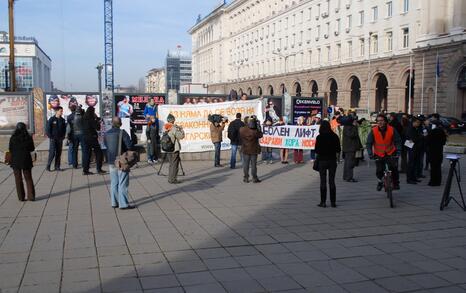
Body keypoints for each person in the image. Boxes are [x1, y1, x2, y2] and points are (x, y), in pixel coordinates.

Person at [104, 117, 134, 209]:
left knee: (114, 182)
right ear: (120, 123)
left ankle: (114, 202)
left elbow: (105, 145)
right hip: (121, 161)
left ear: (112, 123)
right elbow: (129, 146)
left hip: (111, 160)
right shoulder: (122, 132)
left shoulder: (106, 133)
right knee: (123, 182)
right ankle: (123, 204)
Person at [366, 114, 402, 191]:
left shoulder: (392, 129)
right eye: (378, 121)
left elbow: (398, 141)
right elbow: (369, 143)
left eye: (382, 120)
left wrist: (398, 151)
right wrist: (370, 154)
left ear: (385, 121)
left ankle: (396, 183)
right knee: (379, 170)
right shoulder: (374, 130)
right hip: (378, 153)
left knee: (394, 168)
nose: (380, 122)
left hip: (390, 152)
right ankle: (380, 182)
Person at [315, 120, 341, 208]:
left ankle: (323, 202)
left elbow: (317, 150)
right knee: (332, 181)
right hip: (332, 161)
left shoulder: (319, 137)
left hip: (322, 161)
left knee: (323, 181)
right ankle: (333, 202)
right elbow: (338, 149)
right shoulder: (335, 136)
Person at [9, 122, 36, 201]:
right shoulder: (28, 137)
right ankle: (31, 196)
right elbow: (32, 149)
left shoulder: (13, 137)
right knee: (28, 178)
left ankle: (21, 197)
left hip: (15, 161)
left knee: (18, 179)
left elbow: (10, 149)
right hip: (26, 160)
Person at [83, 106, 105, 175]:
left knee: (87, 154)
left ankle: (85, 170)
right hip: (92, 137)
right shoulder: (91, 119)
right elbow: (97, 128)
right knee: (99, 153)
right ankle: (99, 169)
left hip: (85, 138)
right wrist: (97, 120)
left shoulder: (84, 118)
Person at [240, 115, 263, 183]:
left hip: (245, 149)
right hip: (253, 149)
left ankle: (246, 178)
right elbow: (261, 135)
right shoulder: (255, 131)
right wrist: (258, 126)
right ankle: (254, 178)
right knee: (253, 164)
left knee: (246, 164)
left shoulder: (242, 129)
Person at [165, 114, 185, 184]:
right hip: (174, 149)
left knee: (171, 164)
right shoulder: (173, 128)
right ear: (173, 120)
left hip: (167, 148)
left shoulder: (165, 127)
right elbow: (181, 136)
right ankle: (173, 179)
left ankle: (170, 178)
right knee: (174, 164)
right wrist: (181, 130)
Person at [426, 119, 447, 186]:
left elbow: (428, 141)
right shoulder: (442, 132)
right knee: (438, 167)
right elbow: (444, 142)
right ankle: (438, 181)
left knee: (433, 167)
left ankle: (433, 181)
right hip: (439, 151)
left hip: (432, 151)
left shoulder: (432, 132)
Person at [46, 106, 66, 172]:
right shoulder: (52, 119)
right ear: (56, 111)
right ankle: (48, 166)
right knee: (52, 153)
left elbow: (64, 130)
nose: (61, 112)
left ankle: (57, 166)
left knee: (58, 153)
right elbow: (48, 129)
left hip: (60, 139)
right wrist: (50, 137)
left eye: (62, 111)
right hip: (53, 139)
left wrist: (63, 137)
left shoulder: (62, 120)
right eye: (60, 111)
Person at [342, 117, 361, 182]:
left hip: (348, 147)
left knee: (347, 162)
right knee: (350, 163)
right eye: (354, 121)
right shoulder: (349, 127)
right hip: (350, 147)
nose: (355, 122)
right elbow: (352, 135)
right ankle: (349, 177)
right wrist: (355, 127)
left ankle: (346, 176)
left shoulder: (346, 126)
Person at [405, 116, 423, 184]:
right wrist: (419, 138)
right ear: (413, 122)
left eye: (419, 122)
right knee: (411, 164)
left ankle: (414, 177)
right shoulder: (410, 129)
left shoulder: (416, 128)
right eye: (417, 122)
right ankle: (409, 179)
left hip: (416, 148)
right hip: (412, 148)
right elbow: (410, 139)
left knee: (415, 164)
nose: (418, 124)